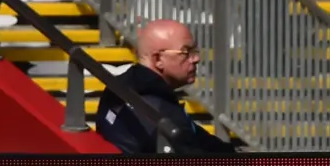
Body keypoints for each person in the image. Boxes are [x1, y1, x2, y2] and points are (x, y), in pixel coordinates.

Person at [95, 20, 235, 154]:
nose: (195, 59)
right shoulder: (166, 118)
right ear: (158, 60)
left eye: (194, 51)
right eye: (186, 52)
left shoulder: (119, 85)